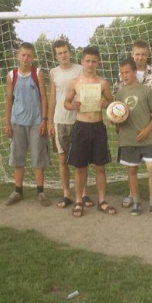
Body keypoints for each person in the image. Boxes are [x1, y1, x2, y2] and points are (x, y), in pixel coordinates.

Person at [113, 40, 152, 209]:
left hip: (151, 126)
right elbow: (117, 103)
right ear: (132, 54)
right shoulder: (122, 76)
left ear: (148, 55)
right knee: (132, 166)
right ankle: (132, 196)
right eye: (137, 54)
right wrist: (116, 122)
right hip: (129, 128)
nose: (140, 57)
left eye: (143, 54)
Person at [64, 46, 116, 218]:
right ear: (82, 62)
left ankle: (102, 201)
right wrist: (71, 106)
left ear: (98, 62)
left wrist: (106, 104)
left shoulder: (102, 82)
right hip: (81, 126)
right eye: (87, 60)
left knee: (100, 167)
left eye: (94, 61)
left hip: (98, 127)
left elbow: (112, 103)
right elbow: (66, 102)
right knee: (80, 168)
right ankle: (79, 201)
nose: (90, 64)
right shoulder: (75, 82)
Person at [4, 42, 51, 206]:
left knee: (38, 157)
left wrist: (44, 120)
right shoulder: (11, 75)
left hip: (36, 122)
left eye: (29, 55)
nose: (26, 58)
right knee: (18, 157)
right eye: (23, 55)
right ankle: (18, 191)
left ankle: (40, 192)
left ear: (33, 57)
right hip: (17, 122)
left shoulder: (37, 73)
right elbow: (9, 99)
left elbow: (44, 98)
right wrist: (7, 122)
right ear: (18, 55)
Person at [47, 40, 93, 208]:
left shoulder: (80, 69)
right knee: (62, 159)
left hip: (80, 120)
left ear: (70, 52)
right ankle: (66, 193)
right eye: (60, 53)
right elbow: (52, 98)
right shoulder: (53, 73)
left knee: (82, 159)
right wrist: (50, 121)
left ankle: (84, 193)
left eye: (65, 52)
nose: (63, 55)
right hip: (60, 120)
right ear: (55, 55)